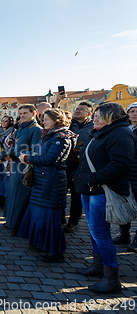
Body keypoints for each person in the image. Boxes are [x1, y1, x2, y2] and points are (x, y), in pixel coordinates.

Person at [74, 102, 135, 294]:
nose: (94, 118)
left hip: (102, 190)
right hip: (90, 189)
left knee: (101, 232)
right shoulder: (100, 132)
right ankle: (97, 266)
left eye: (99, 115)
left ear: (111, 117)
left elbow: (121, 163)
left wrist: (93, 179)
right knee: (94, 231)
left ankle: (112, 279)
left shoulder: (121, 133)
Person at [17, 109, 77, 262]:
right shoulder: (50, 135)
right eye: (43, 119)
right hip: (42, 179)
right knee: (39, 214)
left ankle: (56, 252)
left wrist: (28, 159)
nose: (43, 122)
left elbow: (51, 159)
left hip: (52, 182)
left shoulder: (61, 137)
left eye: (46, 119)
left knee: (49, 217)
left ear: (56, 120)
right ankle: (40, 243)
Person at [2, 104, 42, 235]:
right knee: (13, 195)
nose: (22, 115)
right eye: (21, 113)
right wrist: (7, 153)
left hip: (24, 168)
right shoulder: (21, 128)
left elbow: (35, 150)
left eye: (25, 113)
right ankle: (11, 222)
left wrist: (16, 154)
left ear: (34, 113)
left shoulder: (36, 129)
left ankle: (18, 226)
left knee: (21, 198)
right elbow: (15, 146)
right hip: (15, 166)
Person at [63, 102, 94, 233]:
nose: (78, 111)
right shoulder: (69, 124)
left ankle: (73, 221)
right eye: (76, 108)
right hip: (66, 164)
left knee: (76, 196)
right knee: (61, 192)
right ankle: (60, 217)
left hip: (81, 166)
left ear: (89, 114)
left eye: (82, 109)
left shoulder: (93, 127)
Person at [113, 102, 137, 251]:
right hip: (125, 174)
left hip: (135, 172)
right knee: (124, 206)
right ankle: (124, 235)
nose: (135, 114)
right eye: (132, 111)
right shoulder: (124, 129)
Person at [0, 115, 16, 209]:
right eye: (2, 121)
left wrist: (11, 154)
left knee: (7, 181)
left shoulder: (14, 132)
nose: (3, 123)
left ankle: (7, 200)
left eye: (6, 121)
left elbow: (14, 145)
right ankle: (1, 198)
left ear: (10, 122)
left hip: (8, 159)